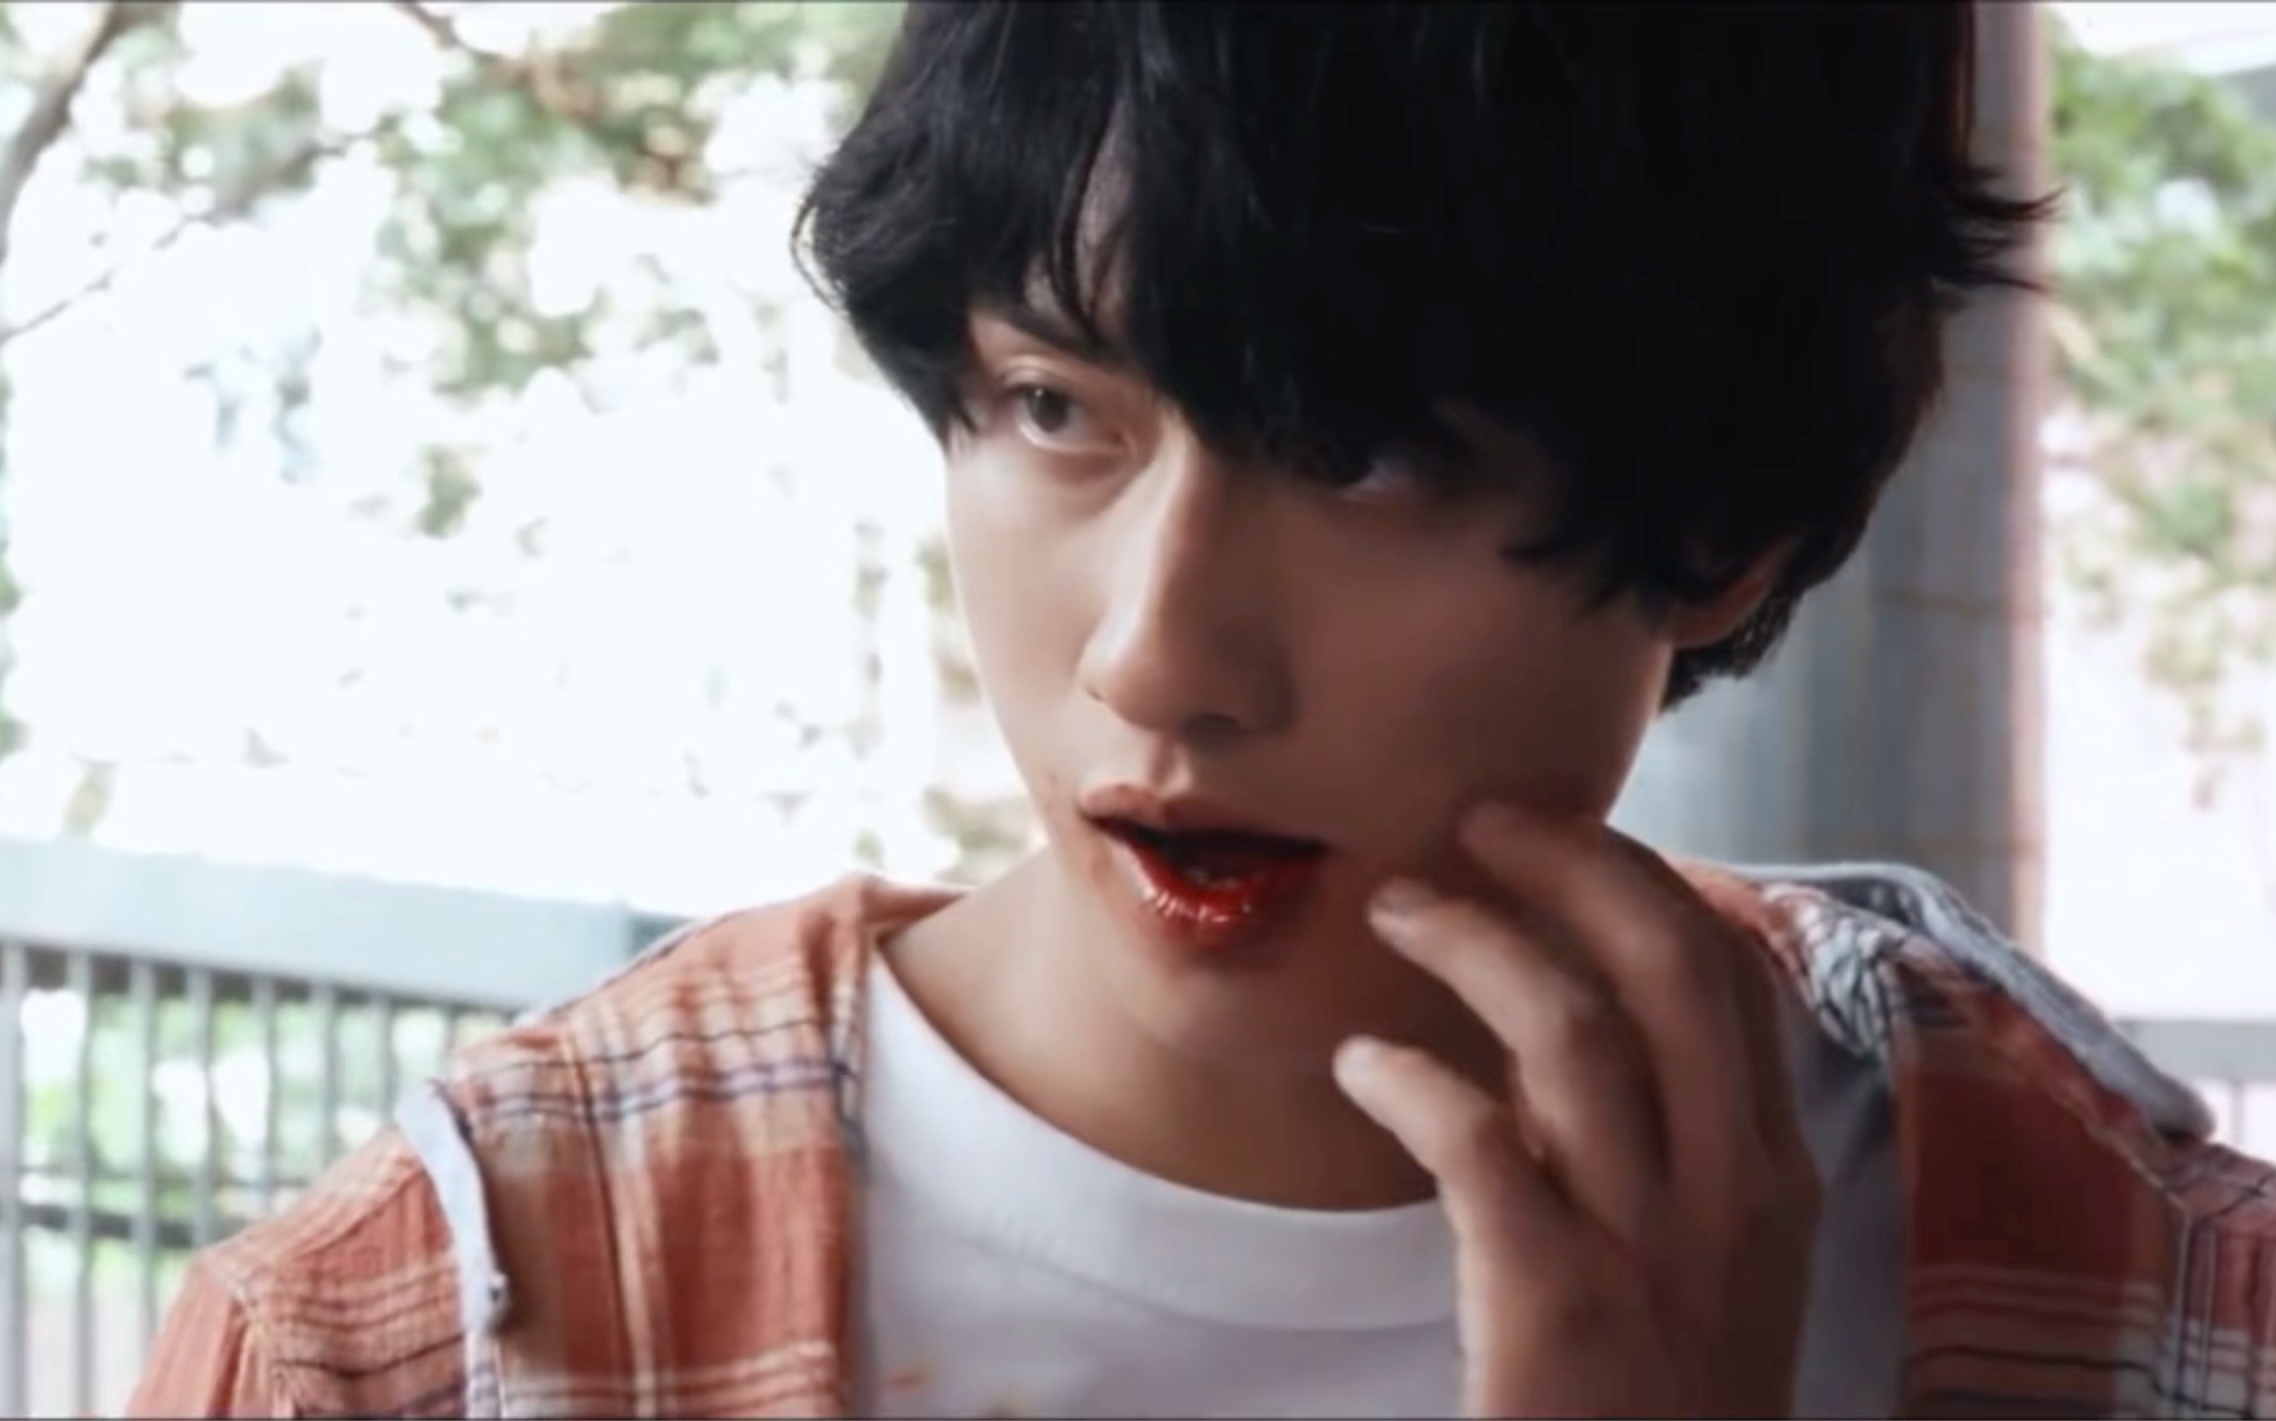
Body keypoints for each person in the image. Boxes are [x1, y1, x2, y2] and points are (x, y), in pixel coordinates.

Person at [127, 3, 2276, 1418]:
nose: (1154, 659)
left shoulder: (2156, 1313)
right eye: (1055, 407)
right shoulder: (438, 1330)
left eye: (1367, 456)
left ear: (1724, 523)